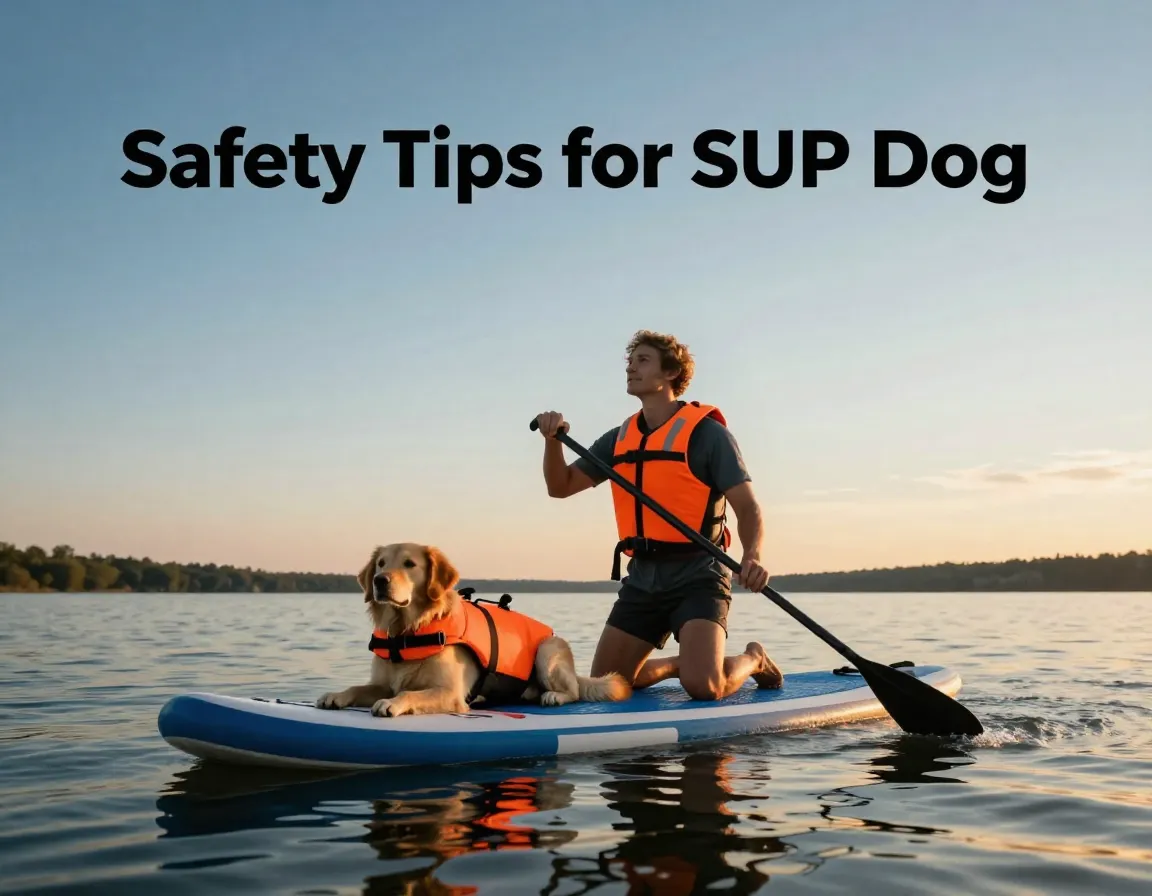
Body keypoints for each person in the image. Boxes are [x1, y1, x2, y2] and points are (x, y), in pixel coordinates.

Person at [533, 329, 783, 701]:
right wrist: (553, 442)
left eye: (642, 361)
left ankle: (753, 657)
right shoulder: (619, 438)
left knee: (705, 687)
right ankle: (681, 663)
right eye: (630, 362)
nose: (631, 368)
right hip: (644, 578)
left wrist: (752, 556)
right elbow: (561, 485)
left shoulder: (708, 435)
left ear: (670, 374)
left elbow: (747, 507)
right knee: (606, 684)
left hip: (699, 574)